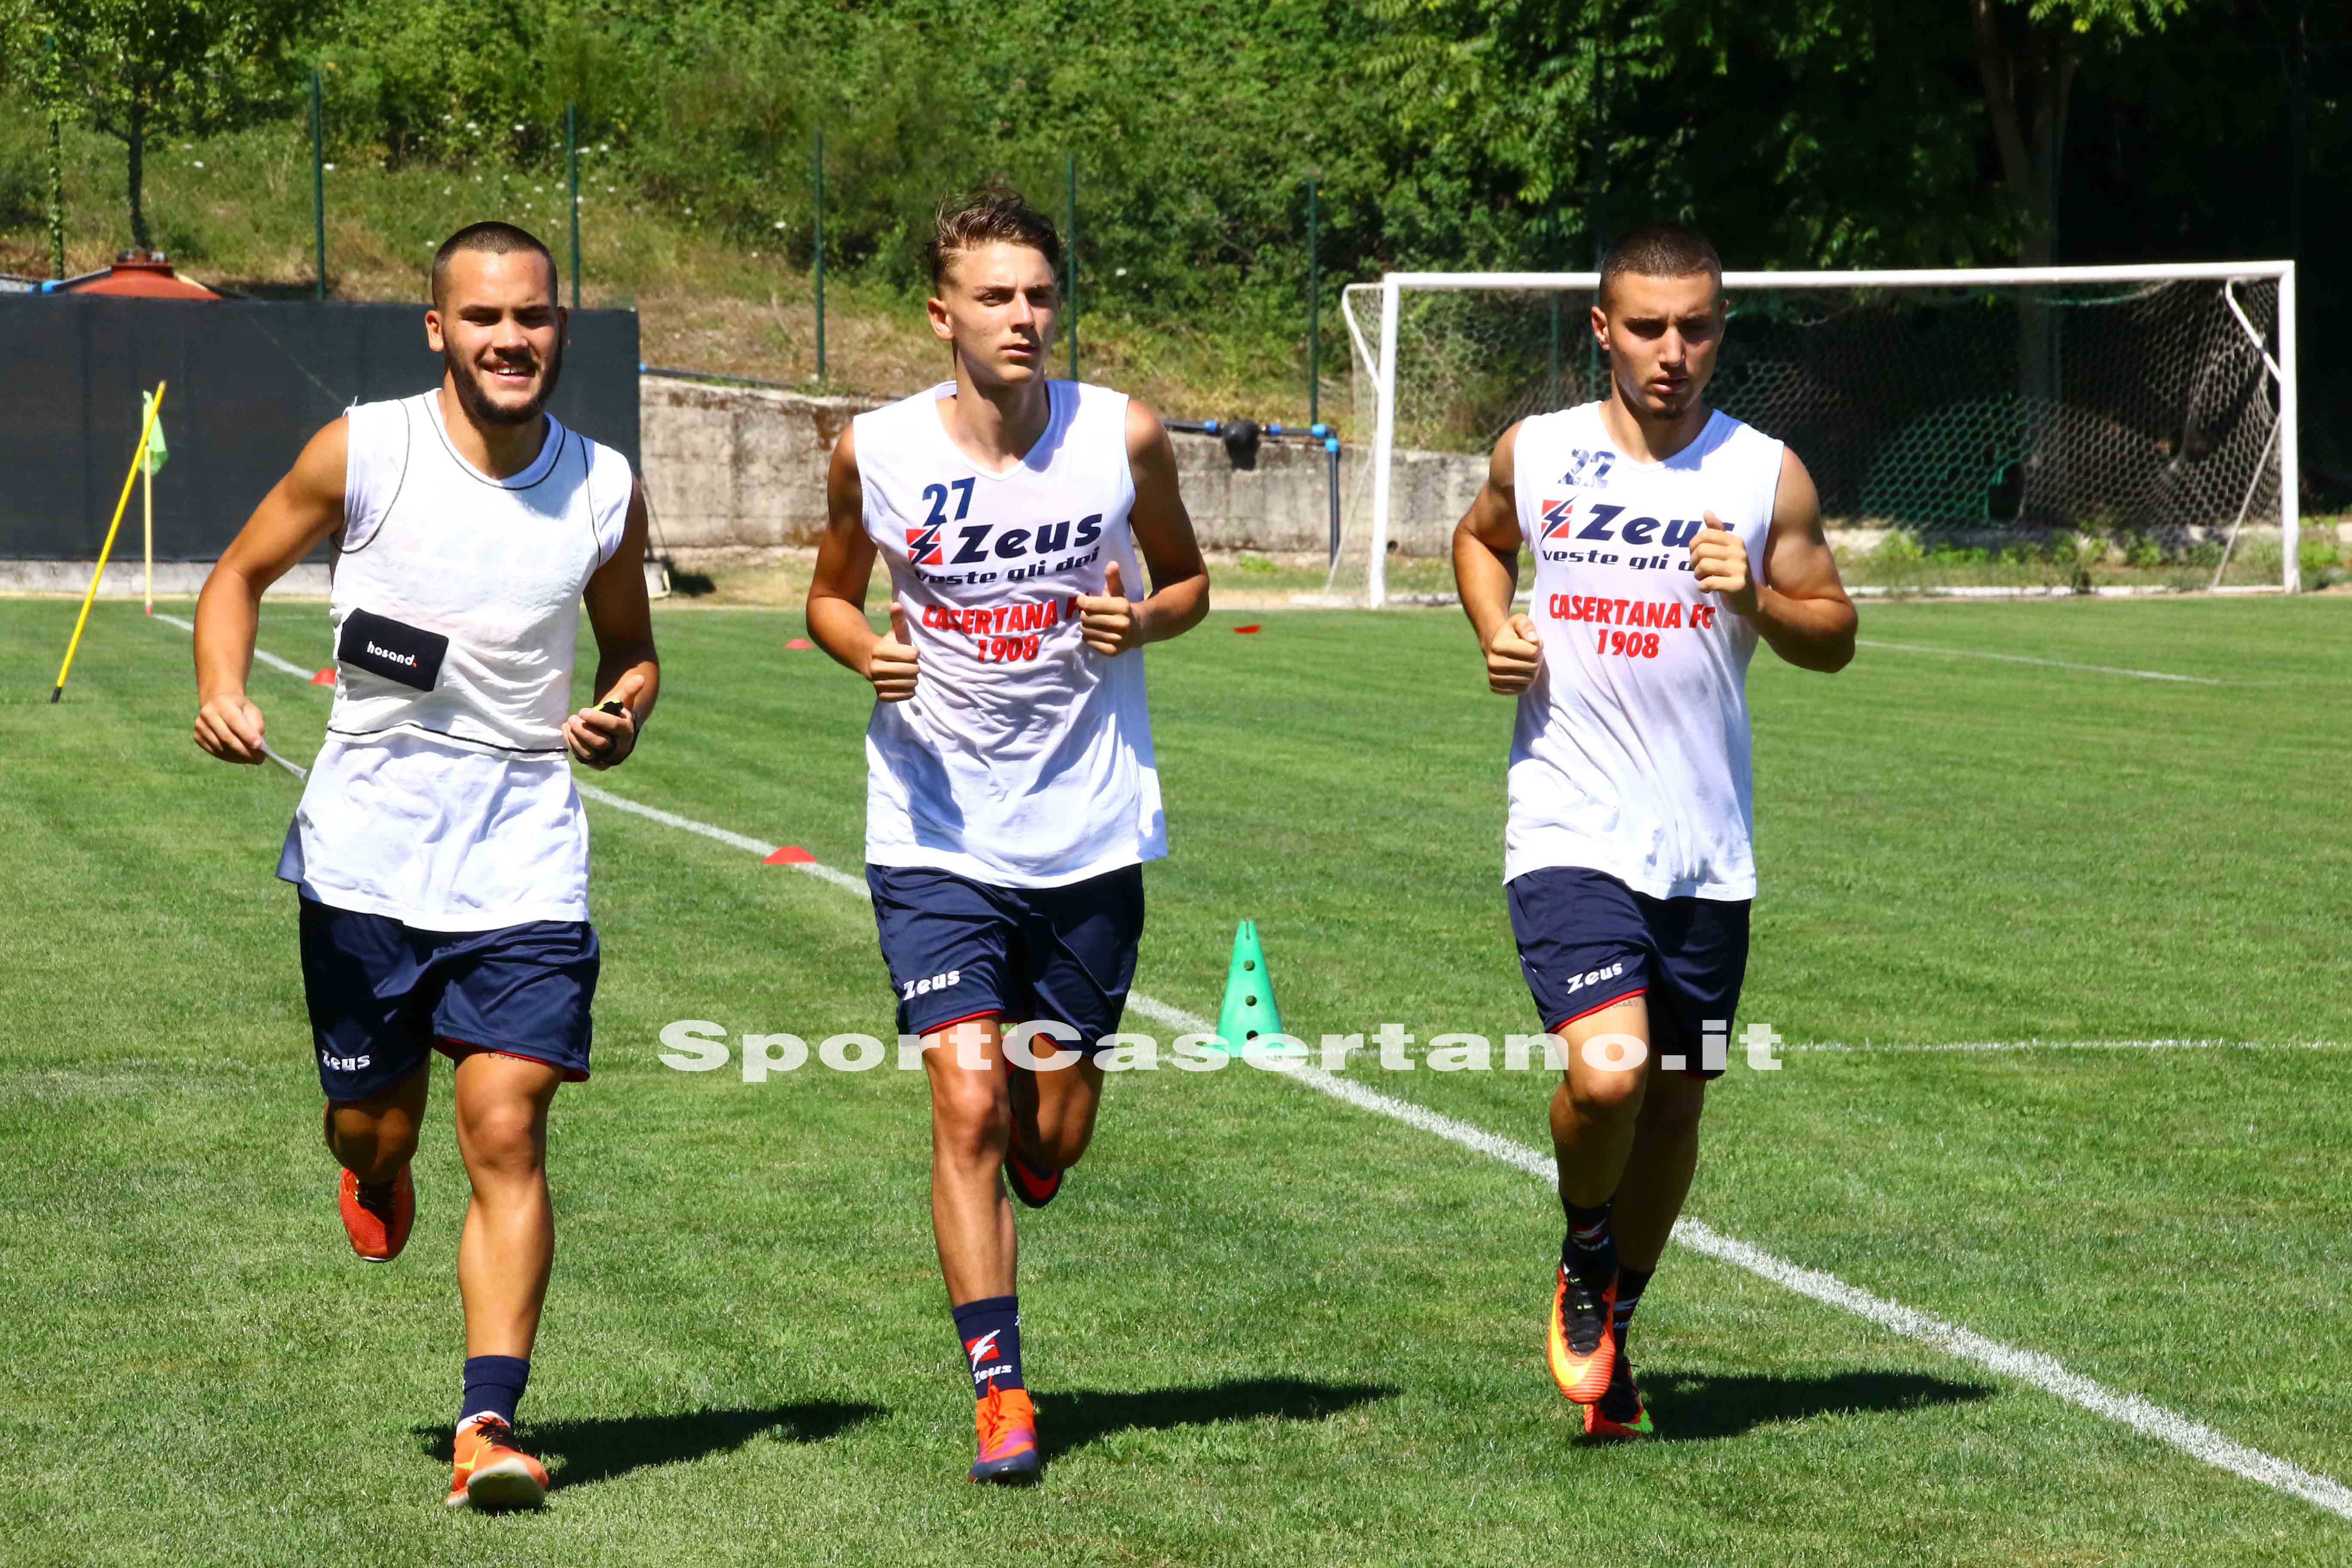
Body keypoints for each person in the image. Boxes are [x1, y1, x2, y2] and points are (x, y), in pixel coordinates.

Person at [191, 221, 658, 1508]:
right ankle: (376, 1171)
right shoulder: (367, 449)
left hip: (525, 861)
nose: (513, 339)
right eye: (485, 318)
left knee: (506, 1125)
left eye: (535, 317)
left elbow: (633, 651)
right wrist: (222, 686)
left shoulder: (604, 484)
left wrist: (619, 714)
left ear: (561, 326)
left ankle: (489, 1424)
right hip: (366, 860)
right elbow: (236, 576)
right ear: (438, 329)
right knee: (375, 1122)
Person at [805, 188, 1209, 1484]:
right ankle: (1001, 1390)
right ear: (944, 314)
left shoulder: (1122, 435)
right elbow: (827, 596)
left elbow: (1191, 582)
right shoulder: (875, 452)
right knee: (967, 1100)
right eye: (997, 295)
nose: (1024, 316)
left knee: (1052, 1129)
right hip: (932, 828)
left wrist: (1141, 623)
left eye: (1040, 293)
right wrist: (867, 646)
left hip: (1088, 831)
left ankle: (1039, 1154)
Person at [1450, 221, 1856, 1439]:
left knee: (1676, 1107)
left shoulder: (1765, 473)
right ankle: (1585, 1251)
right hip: (1569, 821)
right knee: (1610, 1071)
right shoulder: (1539, 450)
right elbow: (1479, 539)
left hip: (1706, 848)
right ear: (1602, 331)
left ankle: (1616, 1316)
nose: (1671, 352)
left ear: (1720, 332)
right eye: (1647, 327)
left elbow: (1833, 632)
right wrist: (1494, 626)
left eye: (1695, 328)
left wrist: (1759, 596)